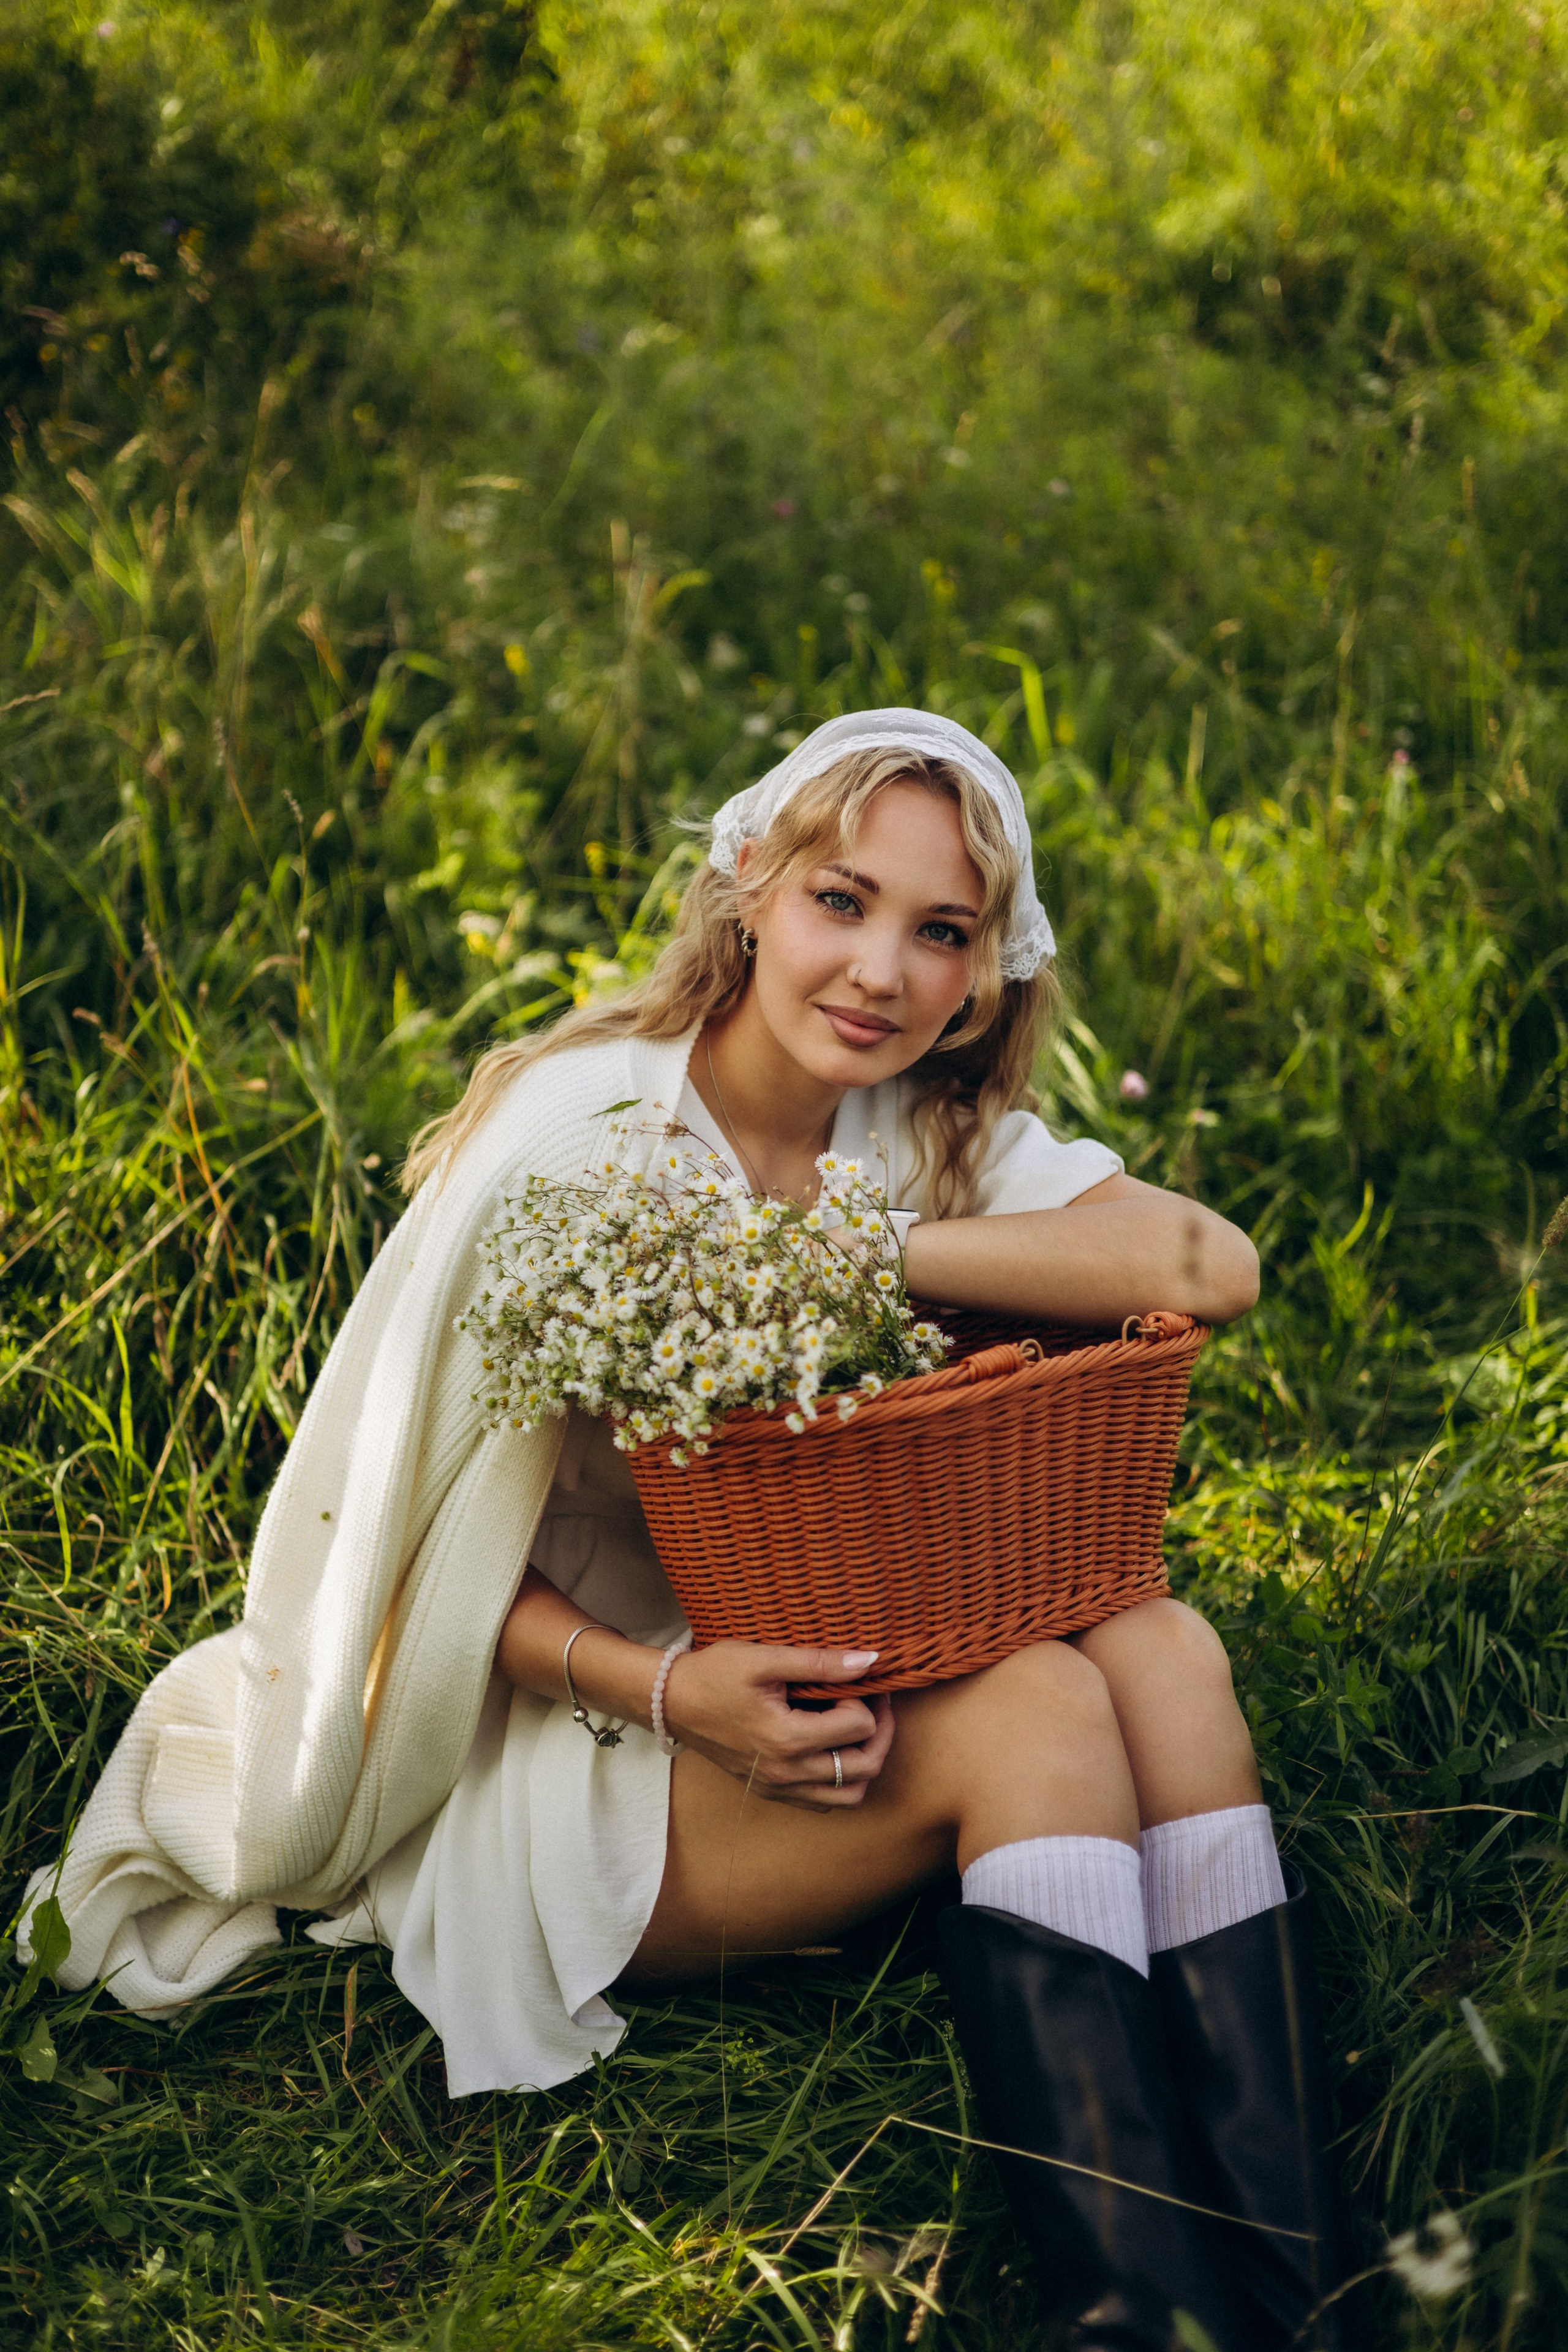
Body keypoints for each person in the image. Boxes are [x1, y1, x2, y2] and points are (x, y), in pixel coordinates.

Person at [23, 711, 1356, 2352]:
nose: (878, 969)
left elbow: (1201, 1270)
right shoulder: (586, 1144)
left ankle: (1307, 2295)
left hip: (847, 1672)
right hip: (586, 1744)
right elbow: (399, 1571)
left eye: (940, 932)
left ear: (985, 968)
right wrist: (667, 1693)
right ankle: (1141, 2318)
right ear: (748, 888)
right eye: (840, 901)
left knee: (1163, 1641)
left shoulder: (913, 1141)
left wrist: (861, 1257)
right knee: (1046, 1700)